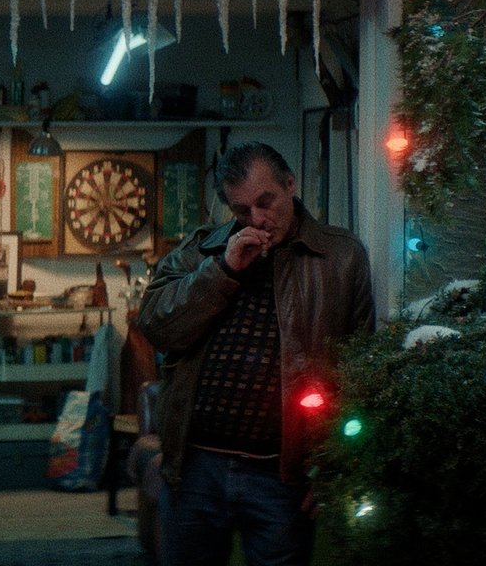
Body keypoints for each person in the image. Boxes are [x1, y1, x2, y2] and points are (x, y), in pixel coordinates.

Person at [137, 141, 376, 566]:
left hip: (282, 472)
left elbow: (360, 371)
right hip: (196, 466)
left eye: (266, 202)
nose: (258, 219)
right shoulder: (203, 250)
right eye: (242, 210)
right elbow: (157, 327)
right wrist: (223, 271)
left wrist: (335, 464)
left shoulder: (340, 256)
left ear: (290, 185)